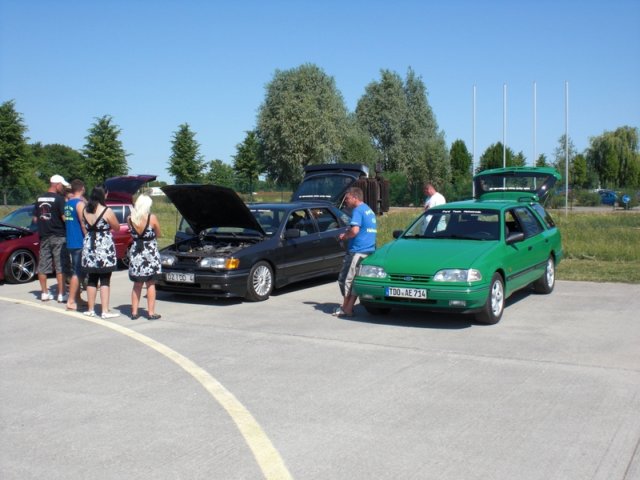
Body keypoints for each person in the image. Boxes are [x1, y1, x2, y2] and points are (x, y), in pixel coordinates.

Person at [334, 187, 377, 317]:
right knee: (355, 280)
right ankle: (348, 307)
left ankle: (344, 306)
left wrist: (344, 236)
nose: (346, 201)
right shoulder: (369, 210)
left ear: (355, 198)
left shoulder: (357, 211)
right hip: (369, 249)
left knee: (344, 279)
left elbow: (355, 231)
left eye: (347, 199)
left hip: (357, 250)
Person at [80, 186, 120, 319]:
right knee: (104, 279)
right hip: (103, 246)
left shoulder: (85, 210)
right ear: (104, 195)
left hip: (89, 245)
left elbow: (84, 225)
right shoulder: (107, 211)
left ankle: (91, 309)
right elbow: (117, 227)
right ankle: (104, 310)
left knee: (92, 278)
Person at [33, 174, 70, 302]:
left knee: (43, 265)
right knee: (60, 266)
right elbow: (64, 217)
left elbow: (35, 218)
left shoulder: (39, 198)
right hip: (59, 235)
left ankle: (44, 293)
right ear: (57, 184)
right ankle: (61, 294)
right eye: (62, 186)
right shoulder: (59, 199)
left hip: (44, 235)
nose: (62, 188)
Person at [127, 194, 162, 320]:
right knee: (150, 283)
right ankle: (151, 312)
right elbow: (159, 233)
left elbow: (132, 234)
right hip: (150, 252)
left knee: (137, 284)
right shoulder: (151, 218)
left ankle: (134, 312)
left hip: (136, 252)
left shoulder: (130, 218)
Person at [64, 179, 86, 311]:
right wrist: (88, 236)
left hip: (71, 240)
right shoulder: (79, 204)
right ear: (82, 189)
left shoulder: (68, 204)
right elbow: (83, 223)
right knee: (77, 272)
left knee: (78, 270)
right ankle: (71, 300)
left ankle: (77, 297)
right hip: (79, 240)